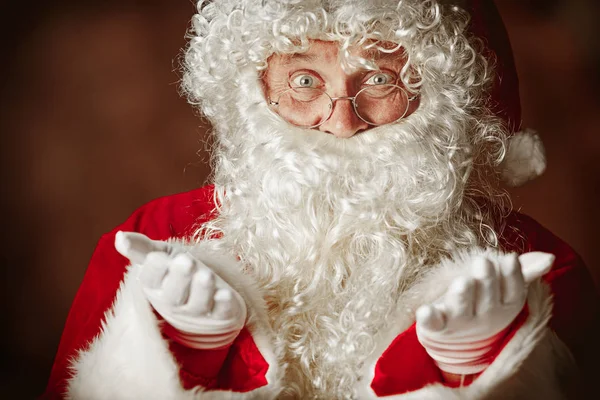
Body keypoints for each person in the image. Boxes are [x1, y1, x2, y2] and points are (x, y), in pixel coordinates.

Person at [43, 0, 599, 398]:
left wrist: (482, 371)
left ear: (442, 94)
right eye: (305, 81)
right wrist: (171, 352)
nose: (341, 120)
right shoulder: (157, 238)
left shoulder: (530, 268)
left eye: (380, 80)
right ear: (253, 86)